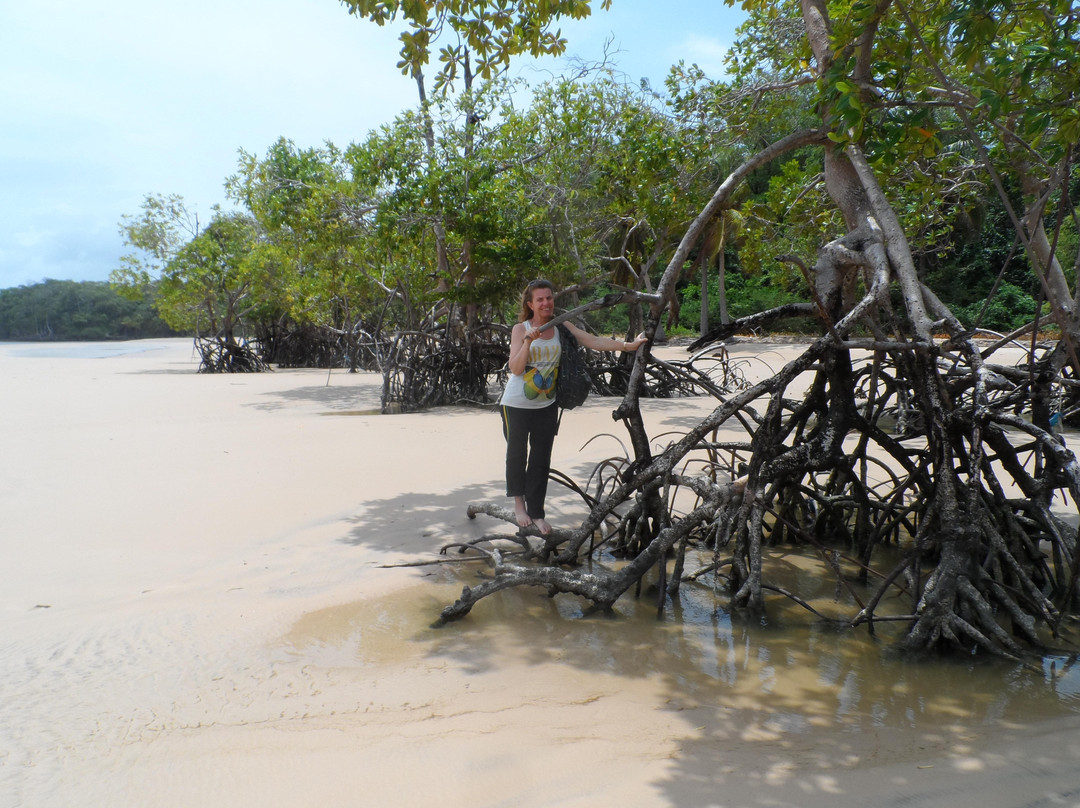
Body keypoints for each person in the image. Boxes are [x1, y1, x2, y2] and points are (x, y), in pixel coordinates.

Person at [500, 279, 647, 535]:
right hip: (516, 405)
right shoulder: (520, 329)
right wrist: (528, 342)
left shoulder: (561, 326)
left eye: (549, 297)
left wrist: (627, 346)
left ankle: (537, 513)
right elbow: (516, 368)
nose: (546, 303)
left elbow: (592, 341)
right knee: (517, 456)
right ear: (530, 304)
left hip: (547, 405)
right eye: (540, 299)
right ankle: (519, 507)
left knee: (540, 460)